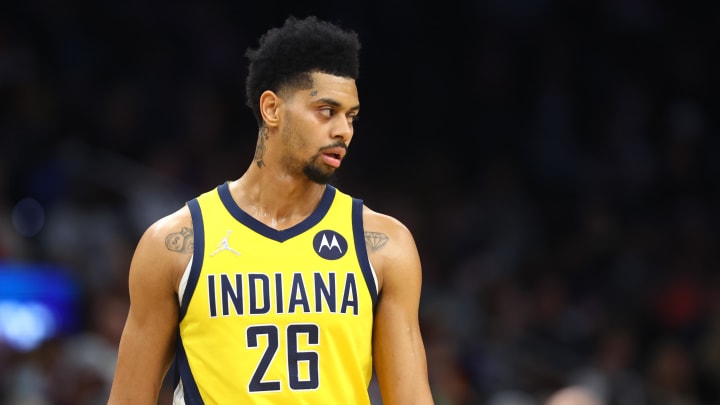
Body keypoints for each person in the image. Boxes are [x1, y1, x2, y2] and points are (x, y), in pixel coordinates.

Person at [107, 15, 434, 404]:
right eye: (326, 111)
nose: (343, 130)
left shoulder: (383, 245)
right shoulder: (176, 244)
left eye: (351, 116)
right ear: (271, 109)